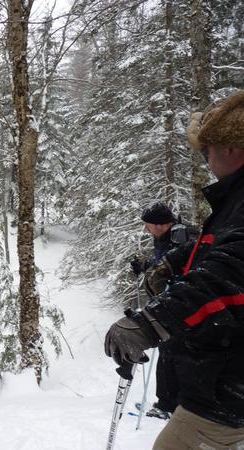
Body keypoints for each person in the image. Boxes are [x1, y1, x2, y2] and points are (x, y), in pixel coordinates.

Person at [105, 90, 244, 450]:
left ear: (230, 149)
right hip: (218, 370)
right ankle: (167, 401)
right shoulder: (232, 202)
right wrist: (171, 262)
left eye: (207, 149)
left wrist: (151, 322)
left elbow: (228, 274)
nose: (206, 159)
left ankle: (165, 403)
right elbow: (218, 248)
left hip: (227, 387)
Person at [131, 203, 197, 420]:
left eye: (148, 225)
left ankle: (168, 405)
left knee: (170, 351)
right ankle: (171, 403)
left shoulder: (181, 237)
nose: (147, 229)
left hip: (180, 303)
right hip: (176, 302)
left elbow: (181, 262)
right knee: (170, 351)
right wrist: (146, 265)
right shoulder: (168, 235)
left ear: (160, 225)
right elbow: (165, 260)